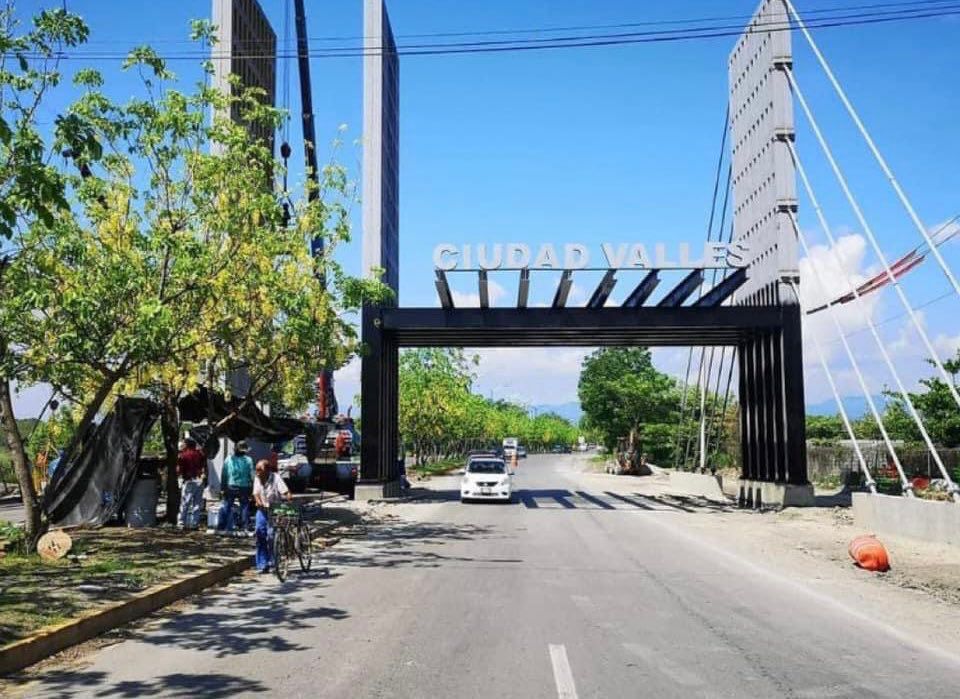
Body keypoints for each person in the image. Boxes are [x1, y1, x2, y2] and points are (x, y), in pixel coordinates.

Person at [252, 458, 292, 573]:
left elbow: (285, 492)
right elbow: (256, 494)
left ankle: (273, 561)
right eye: (256, 469)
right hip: (262, 509)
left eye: (260, 469)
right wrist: (259, 502)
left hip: (274, 510)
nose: (257, 472)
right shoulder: (257, 478)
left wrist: (288, 498)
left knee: (271, 535)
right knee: (260, 533)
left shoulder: (275, 478)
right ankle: (262, 564)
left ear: (267, 470)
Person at [217, 440, 254, 534]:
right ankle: (244, 526)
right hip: (245, 486)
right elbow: (252, 475)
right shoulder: (248, 460)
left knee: (227, 506)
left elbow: (224, 474)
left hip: (231, 486)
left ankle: (222, 526)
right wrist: (253, 487)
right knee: (244, 506)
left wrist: (222, 487)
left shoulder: (229, 459)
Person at [177, 437, 206, 530]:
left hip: (189, 480)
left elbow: (179, 470)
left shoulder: (183, 455)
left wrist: (179, 476)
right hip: (199, 480)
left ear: (187, 444)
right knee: (197, 504)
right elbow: (204, 467)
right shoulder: (200, 454)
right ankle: (195, 524)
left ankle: (181, 523)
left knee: (185, 503)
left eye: (184, 443)